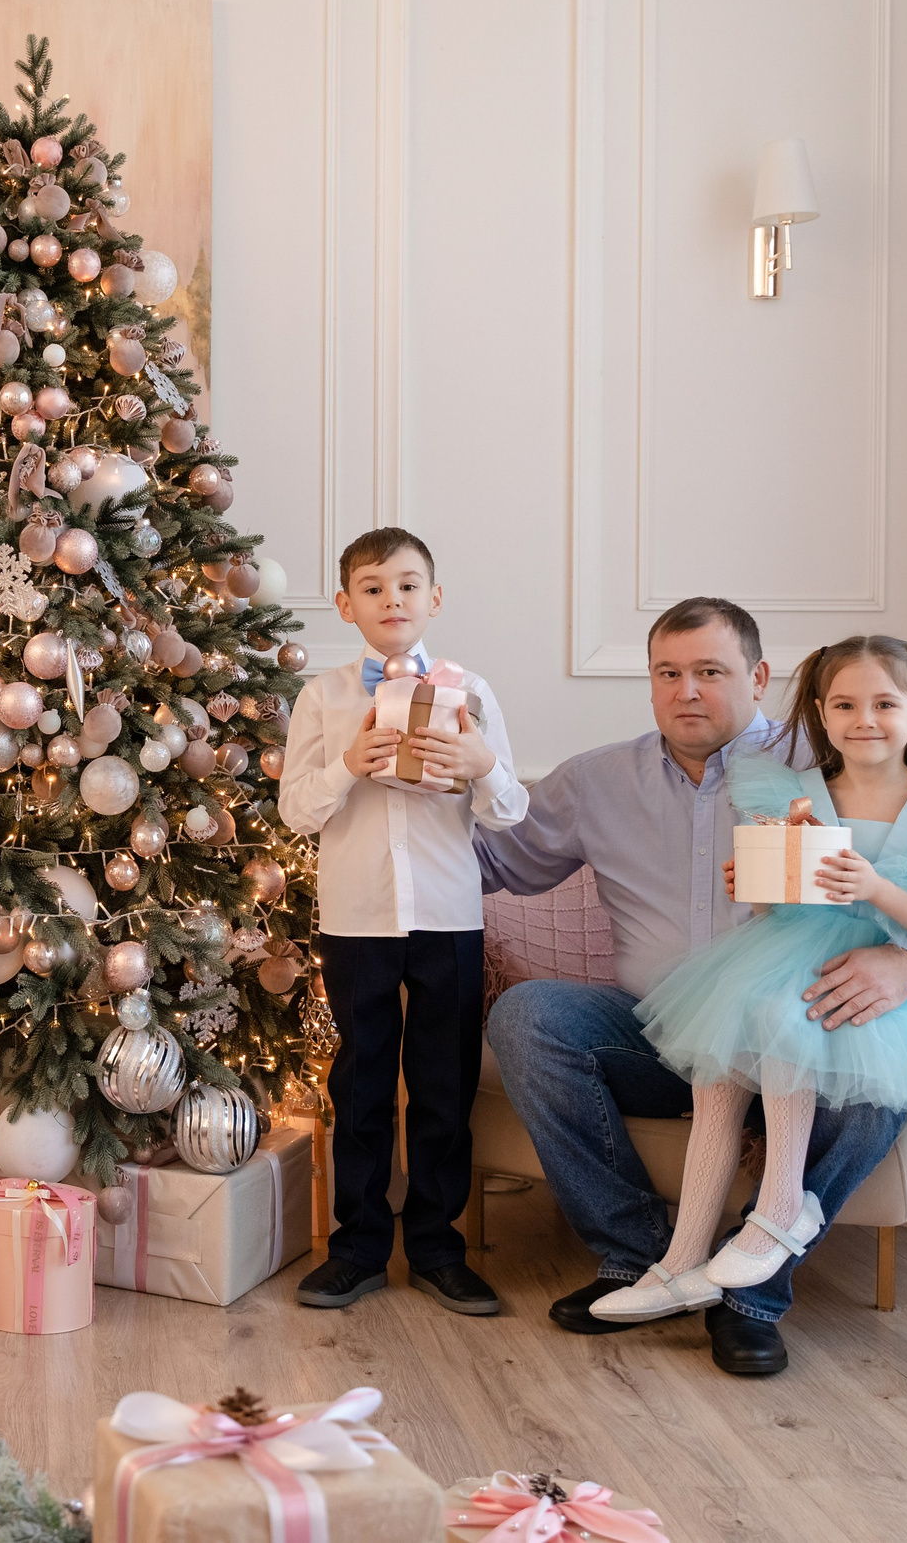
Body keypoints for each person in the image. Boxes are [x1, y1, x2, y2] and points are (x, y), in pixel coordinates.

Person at [477, 598, 907, 1375]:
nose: (686, 690)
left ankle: (752, 1292)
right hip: (661, 1029)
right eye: (668, 672)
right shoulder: (597, 779)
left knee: (877, 1090)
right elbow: (498, 863)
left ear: (758, 677)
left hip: (814, 1026)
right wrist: (415, 804)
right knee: (529, 1016)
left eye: (710, 671)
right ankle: (644, 1256)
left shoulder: (839, 748)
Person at [591, 637, 907, 1322]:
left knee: (783, 1015)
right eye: (845, 704)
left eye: (884, 703)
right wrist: (755, 882)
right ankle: (681, 1260)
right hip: (792, 953)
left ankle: (783, 1205)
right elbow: (777, 911)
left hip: (884, 983)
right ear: (821, 710)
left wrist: (874, 885)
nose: (864, 718)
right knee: (716, 1072)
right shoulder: (799, 794)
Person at [280, 528, 530, 1314]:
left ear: (435, 598)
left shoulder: (473, 691)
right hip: (356, 916)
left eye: (409, 584)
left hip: (448, 915)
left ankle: (436, 1245)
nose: (393, 599)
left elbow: (511, 809)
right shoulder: (324, 696)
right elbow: (295, 809)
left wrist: (478, 763)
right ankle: (355, 1246)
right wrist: (348, 765)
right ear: (346, 603)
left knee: (443, 1082)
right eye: (375, 586)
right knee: (358, 1080)